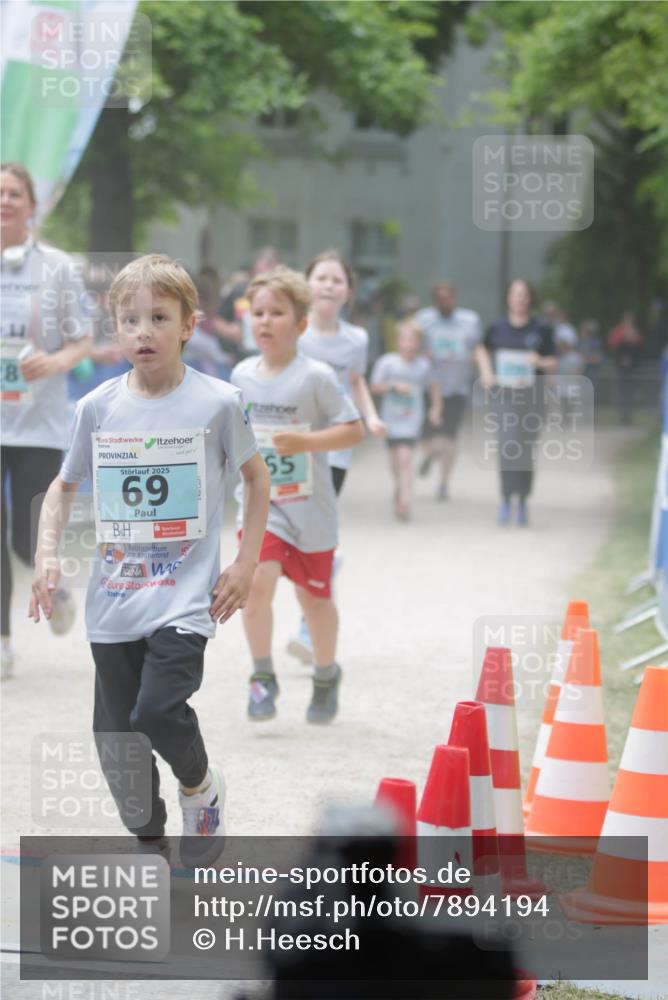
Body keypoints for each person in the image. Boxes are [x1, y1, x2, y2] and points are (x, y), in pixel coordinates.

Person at [29, 254, 270, 864]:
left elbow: (256, 479)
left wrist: (243, 564)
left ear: (190, 324)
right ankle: (151, 842)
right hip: (114, 599)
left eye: (159, 318)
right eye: (130, 320)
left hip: (185, 598)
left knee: (157, 710)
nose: (144, 331)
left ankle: (201, 788)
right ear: (114, 327)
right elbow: (63, 486)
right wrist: (46, 553)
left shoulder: (218, 402)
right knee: (117, 742)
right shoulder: (98, 408)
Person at [231, 266, 364, 724]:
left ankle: (326, 674)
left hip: (311, 509)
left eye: (277, 313)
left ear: (302, 324)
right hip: (261, 506)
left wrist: (304, 442)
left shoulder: (317, 377)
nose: (265, 322)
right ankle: (262, 677)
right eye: (258, 312)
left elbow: (353, 430)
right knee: (256, 586)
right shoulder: (242, 374)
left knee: (314, 601)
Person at [1, 162, 93, 680]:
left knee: (27, 537)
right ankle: (4, 642)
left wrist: (55, 362)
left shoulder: (57, 267)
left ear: (32, 206)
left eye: (15, 194)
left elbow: (83, 339)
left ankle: (52, 588)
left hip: (37, 422)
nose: (5, 201)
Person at [287, 249, 386, 664]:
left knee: (312, 537)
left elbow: (356, 382)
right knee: (292, 535)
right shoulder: (293, 331)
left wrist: (372, 416)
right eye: (321, 277)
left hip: (334, 451)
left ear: (348, 292)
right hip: (290, 446)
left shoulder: (356, 339)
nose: (328, 285)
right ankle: (327, 570)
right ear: (306, 285)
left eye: (337, 280)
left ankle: (310, 627)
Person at [477, 278, 557, 527]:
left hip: (533, 397)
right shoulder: (497, 328)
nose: (519, 298)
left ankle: (522, 500)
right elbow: (481, 349)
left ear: (530, 298)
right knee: (507, 444)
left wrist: (540, 362)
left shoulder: (542, 329)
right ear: (508, 298)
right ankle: (505, 498)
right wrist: (486, 372)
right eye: (515, 294)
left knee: (524, 448)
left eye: (524, 294)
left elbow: (554, 362)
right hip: (505, 396)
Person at [414, 282, 485, 501]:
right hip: (430, 386)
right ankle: (431, 453)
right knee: (427, 436)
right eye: (440, 298)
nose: (445, 302)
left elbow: (478, 348)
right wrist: (421, 354)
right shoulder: (423, 320)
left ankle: (443, 483)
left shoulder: (470, 321)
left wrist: (482, 371)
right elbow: (411, 346)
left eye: (449, 297)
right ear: (434, 300)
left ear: (455, 298)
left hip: (457, 386)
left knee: (450, 436)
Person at [370, 320, 441, 520]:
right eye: (405, 339)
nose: (409, 344)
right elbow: (374, 386)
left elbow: (434, 387)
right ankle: (399, 486)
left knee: (406, 458)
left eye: (413, 340)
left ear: (419, 343)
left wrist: (436, 408)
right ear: (398, 341)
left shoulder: (424, 366)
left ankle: (405, 501)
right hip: (390, 419)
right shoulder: (387, 363)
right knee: (394, 462)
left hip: (412, 419)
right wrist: (393, 388)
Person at [215, 246, 280, 357]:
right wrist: (230, 330)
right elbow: (217, 321)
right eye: (260, 272)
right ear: (253, 271)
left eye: (270, 273)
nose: (264, 278)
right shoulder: (241, 291)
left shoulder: (283, 297)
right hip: (242, 356)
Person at [608, 310, 644, 425]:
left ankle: (629, 415)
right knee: (622, 391)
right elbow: (614, 346)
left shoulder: (636, 333)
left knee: (631, 392)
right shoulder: (618, 332)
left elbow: (640, 348)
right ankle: (623, 415)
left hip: (633, 367)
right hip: (621, 368)